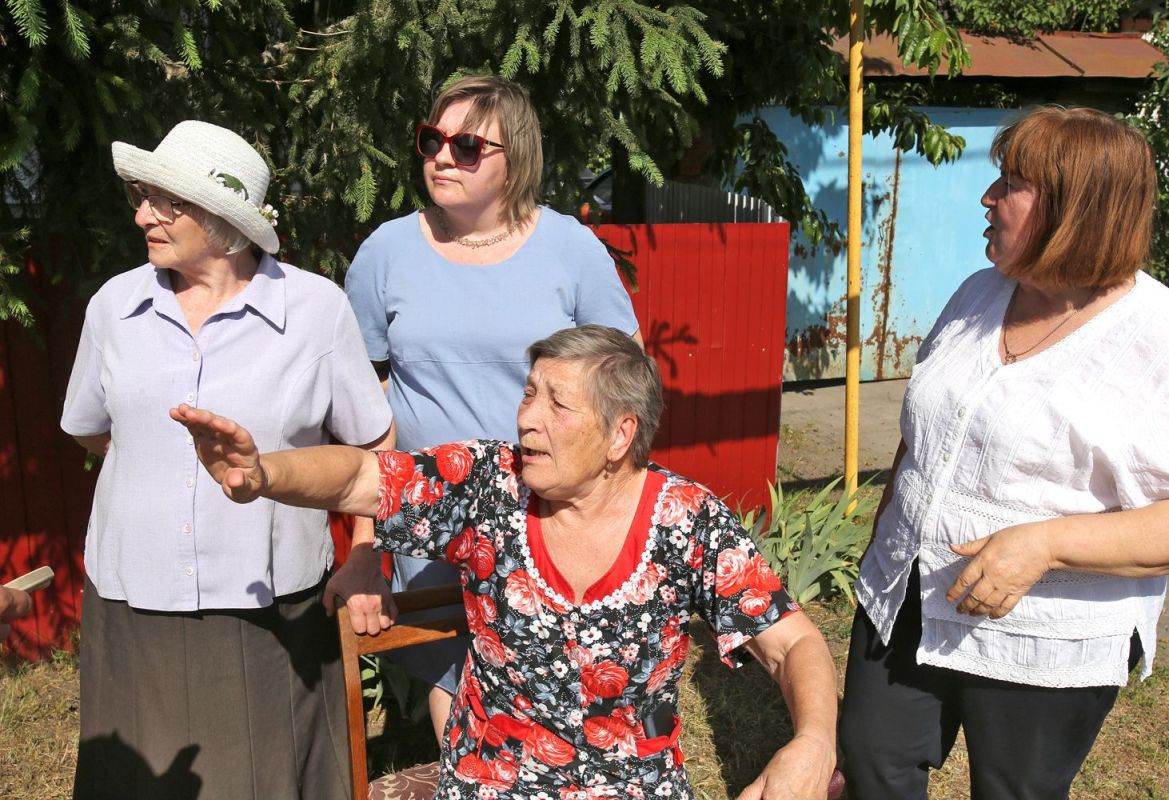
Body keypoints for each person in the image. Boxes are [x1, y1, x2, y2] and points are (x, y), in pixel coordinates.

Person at [172, 324, 838, 800]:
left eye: (556, 404)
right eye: (528, 395)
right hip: (492, 782)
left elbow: (792, 643)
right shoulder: (488, 485)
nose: (527, 420)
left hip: (632, 785)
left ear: (619, 434)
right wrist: (264, 473)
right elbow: (357, 479)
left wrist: (812, 743)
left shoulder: (685, 522)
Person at [839, 106, 1169, 799]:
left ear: (1076, 209)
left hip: (1044, 639)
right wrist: (883, 542)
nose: (986, 199)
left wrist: (1045, 544)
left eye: (1010, 184)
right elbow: (921, 436)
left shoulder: (1153, 340)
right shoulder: (977, 292)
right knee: (873, 765)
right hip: (906, 593)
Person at [61, 120, 394, 800]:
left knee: (266, 780)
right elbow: (93, 430)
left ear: (222, 217)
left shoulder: (312, 310)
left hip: (268, 610)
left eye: (164, 200)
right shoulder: (114, 307)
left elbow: (374, 449)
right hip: (134, 599)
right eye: (141, 195)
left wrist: (366, 552)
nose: (141, 214)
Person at [343, 74, 640, 742]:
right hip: (434, 515)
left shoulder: (569, 249)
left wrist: (612, 505)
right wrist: (367, 545)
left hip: (549, 512)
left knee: (558, 691)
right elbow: (366, 410)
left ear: (516, 161)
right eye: (432, 140)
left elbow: (623, 387)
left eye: (468, 146)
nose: (442, 157)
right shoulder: (386, 253)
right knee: (459, 682)